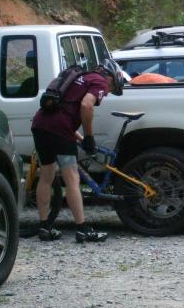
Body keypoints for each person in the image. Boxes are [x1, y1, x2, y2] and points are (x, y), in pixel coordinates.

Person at [31, 59, 126, 243]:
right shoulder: (98, 81)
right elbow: (86, 105)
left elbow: (63, 111)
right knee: (72, 178)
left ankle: (44, 227)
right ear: (109, 77)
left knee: (46, 175)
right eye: (112, 86)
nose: (107, 92)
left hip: (40, 124)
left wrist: (81, 139)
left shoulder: (78, 77)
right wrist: (89, 136)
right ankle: (82, 229)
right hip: (59, 129)